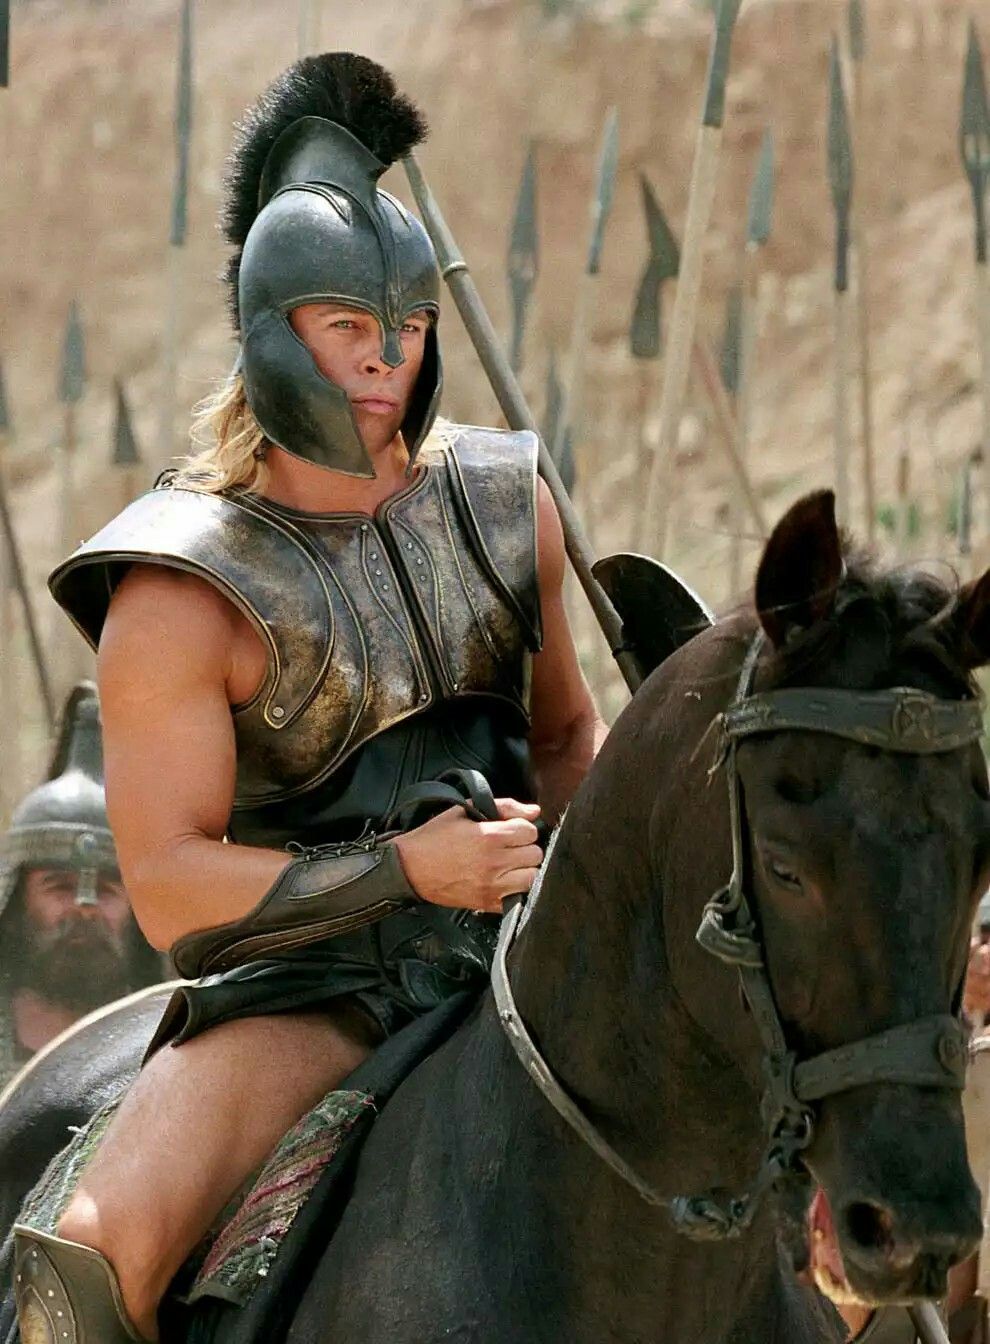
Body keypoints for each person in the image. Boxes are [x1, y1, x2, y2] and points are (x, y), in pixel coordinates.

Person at [13, 53, 604, 1343]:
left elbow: (566, 735)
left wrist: (579, 875)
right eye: (349, 327)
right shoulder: (181, 585)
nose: (387, 357)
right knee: (92, 1255)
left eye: (410, 327)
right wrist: (411, 871)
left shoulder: (510, 502)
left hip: (529, 956)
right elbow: (169, 885)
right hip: (306, 994)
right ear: (276, 333)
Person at [0, 682, 161, 1091]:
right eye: (58, 885)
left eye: (108, 888)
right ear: (16, 902)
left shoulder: (165, 1044)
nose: (84, 905)